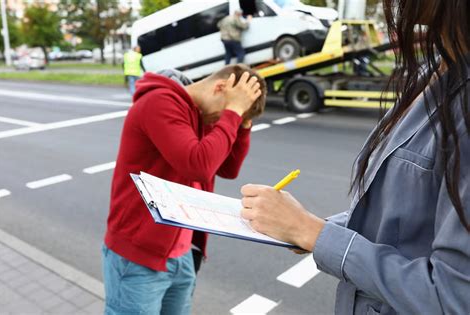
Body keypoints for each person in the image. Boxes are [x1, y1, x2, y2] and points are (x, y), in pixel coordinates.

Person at [240, 0, 470, 314]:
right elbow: (407, 221)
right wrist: (314, 228)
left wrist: (311, 232)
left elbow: (453, 298)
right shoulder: (438, 71)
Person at [103, 64, 267, 315]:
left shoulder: (200, 114)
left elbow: (227, 168)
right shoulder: (160, 102)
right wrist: (232, 111)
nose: (224, 121)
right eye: (228, 110)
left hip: (181, 253)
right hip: (139, 256)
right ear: (220, 88)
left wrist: (242, 122)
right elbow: (198, 165)